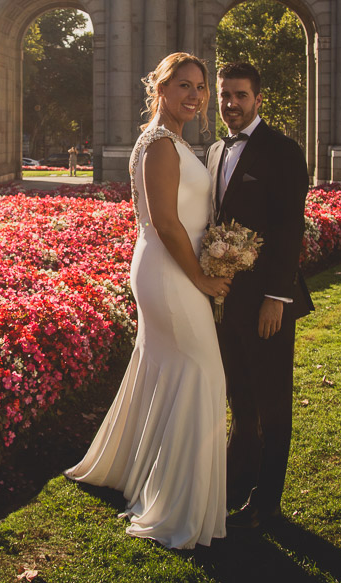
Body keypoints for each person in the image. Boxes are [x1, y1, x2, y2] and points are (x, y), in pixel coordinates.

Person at [67, 52, 233, 549]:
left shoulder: (173, 141)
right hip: (170, 269)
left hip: (166, 265)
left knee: (169, 370)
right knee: (204, 372)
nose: (195, 96)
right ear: (160, 89)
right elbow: (165, 222)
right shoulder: (161, 145)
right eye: (183, 85)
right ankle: (175, 503)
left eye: (200, 87)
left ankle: (141, 474)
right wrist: (203, 280)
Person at [207, 62, 313, 532]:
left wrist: (277, 296)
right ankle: (237, 483)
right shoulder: (213, 151)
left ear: (259, 99)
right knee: (240, 397)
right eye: (225, 95)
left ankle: (267, 500)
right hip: (224, 299)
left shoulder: (283, 151)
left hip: (267, 301)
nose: (231, 104)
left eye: (240, 96)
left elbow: (290, 227)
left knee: (272, 403)